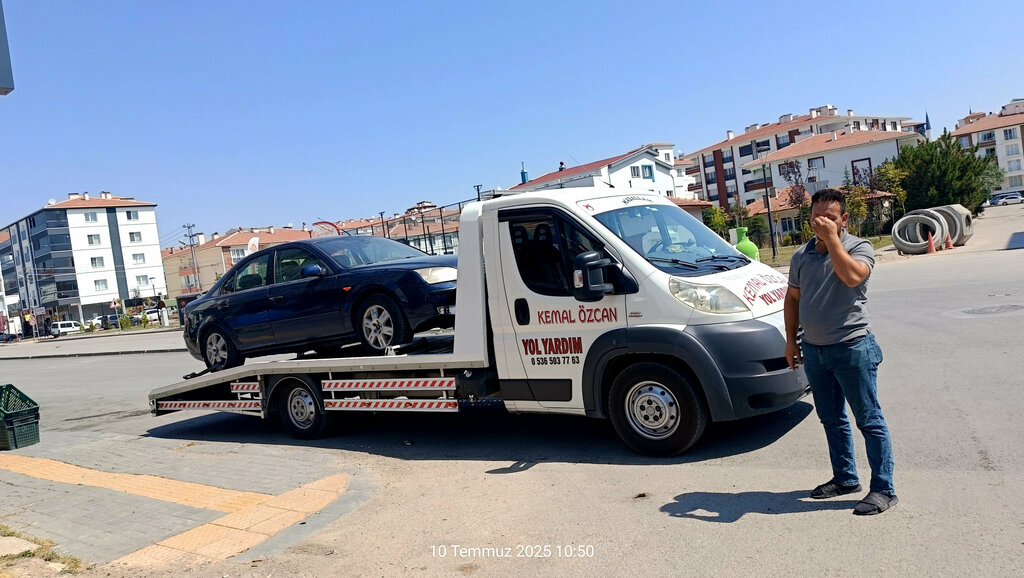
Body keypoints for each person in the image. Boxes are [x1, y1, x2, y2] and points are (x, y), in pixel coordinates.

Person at [784, 188, 897, 516]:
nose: (821, 223)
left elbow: (852, 277)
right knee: (832, 419)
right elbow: (792, 299)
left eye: (830, 218)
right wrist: (791, 340)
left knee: (869, 419)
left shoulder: (857, 247)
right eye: (817, 217)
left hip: (852, 348)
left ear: (844, 219)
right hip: (815, 351)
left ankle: (884, 489)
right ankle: (846, 478)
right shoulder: (801, 256)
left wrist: (832, 240)